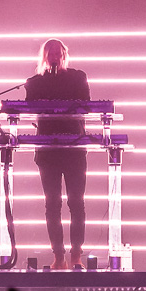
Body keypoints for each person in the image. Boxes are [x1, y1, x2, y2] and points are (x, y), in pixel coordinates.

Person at [24, 38, 90, 270]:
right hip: (48, 150)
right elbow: (28, 107)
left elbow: (86, 104)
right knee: (52, 204)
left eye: (58, 52)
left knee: (76, 203)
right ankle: (58, 256)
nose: (55, 56)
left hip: (73, 148)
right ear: (44, 56)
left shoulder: (77, 77)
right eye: (50, 52)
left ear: (64, 54)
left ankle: (76, 256)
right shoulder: (35, 82)